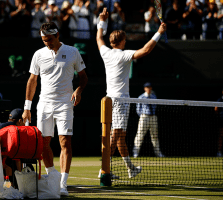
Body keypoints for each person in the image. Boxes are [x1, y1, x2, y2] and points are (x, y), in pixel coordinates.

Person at [96, 8, 166, 178]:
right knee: (115, 136)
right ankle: (104, 170)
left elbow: (99, 37)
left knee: (121, 137)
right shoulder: (123, 55)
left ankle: (130, 168)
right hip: (120, 101)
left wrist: (102, 21)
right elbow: (146, 50)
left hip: (109, 101)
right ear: (122, 41)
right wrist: (158, 33)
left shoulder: (105, 52)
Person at [22, 22, 88, 196]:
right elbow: (32, 81)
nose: (47, 43)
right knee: (43, 143)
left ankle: (63, 184)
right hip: (44, 104)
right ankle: (53, 177)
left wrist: (79, 90)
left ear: (57, 35)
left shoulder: (73, 52)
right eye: (44, 40)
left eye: (49, 39)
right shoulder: (38, 54)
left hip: (65, 103)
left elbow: (83, 77)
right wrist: (27, 108)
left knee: (65, 141)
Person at [133, 82, 164, 158]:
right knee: (140, 135)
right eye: (147, 87)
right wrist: (143, 116)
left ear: (151, 88)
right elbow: (138, 109)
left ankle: (158, 153)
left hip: (153, 117)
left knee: (155, 136)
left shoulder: (154, 97)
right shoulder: (141, 97)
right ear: (145, 89)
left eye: (149, 87)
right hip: (144, 117)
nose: (148, 89)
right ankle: (135, 153)